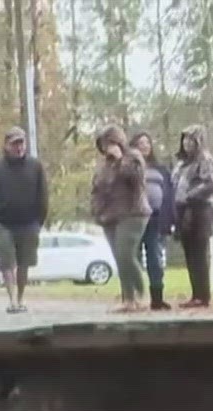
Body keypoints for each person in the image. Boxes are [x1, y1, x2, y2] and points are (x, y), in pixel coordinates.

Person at [0, 126, 47, 314]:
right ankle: (12, 301)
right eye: (15, 143)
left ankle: (20, 298)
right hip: (3, 224)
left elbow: (42, 196)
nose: (19, 147)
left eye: (21, 143)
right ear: (6, 145)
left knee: (24, 263)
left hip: (29, 223)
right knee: (7, 263)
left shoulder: (35, 166)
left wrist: (39, 221)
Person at [90, 125, 149, 313]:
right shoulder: (103, 166)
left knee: (126, 255)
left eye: (110, 143)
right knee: (119, 258)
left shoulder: (133, 156)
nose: (107, 148)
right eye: (103, 145)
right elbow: (97, 189)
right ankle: (128, 299)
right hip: (110, 216)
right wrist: (96, 211)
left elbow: (136, 179)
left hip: (132, 213)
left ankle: (141, 295)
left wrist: (120, 159)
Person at [173, 124, 213, 308]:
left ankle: (203, 296)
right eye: (184, 139)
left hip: (200, 210)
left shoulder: (205, 159)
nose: (187, 143)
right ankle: (195, 295)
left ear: (199, 141)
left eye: (191, 139)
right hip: (183, 210)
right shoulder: (181, 164)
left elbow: (212, 183)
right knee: (190, 253)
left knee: (200, 253)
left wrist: (190, 194)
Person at [132, 131, 176, 312]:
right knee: (133, 258)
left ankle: (157, 299)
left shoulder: (161, 169)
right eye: (140, 143)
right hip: (134, 218)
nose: (144, 146)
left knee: (155, 259)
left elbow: (169, 194)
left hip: (156, 218)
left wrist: (171, 219)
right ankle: (133, 298)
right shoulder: (129, 166)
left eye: (147, 143)